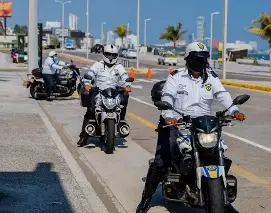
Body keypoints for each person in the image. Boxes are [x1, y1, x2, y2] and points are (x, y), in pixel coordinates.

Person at [136, 42, 246, 213]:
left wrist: (234, 110)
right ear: (188, 59)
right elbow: (167, 97)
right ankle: (146, 198)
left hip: (203, 125)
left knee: (218, 153)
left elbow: (222, 95)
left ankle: (220, 196)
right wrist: (170, 117)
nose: (201, 62)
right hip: (178, 123)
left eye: (203, 58)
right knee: (161, 160)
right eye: (197, 58)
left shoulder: (211, 77)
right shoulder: (176, 77)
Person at [77, 44, 132, 147]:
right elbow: (90, 74)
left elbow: (125, 76)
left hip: (114, 93)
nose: (110, 57)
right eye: (108, 54)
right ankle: (83, 137)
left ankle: (121, 121)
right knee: (90, 111)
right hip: (99, 92)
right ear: (104, 54)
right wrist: (88, 83)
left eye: (113, 55)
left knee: (124, 99)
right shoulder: (98, 65)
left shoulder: (119, 66)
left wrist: (127, 85)